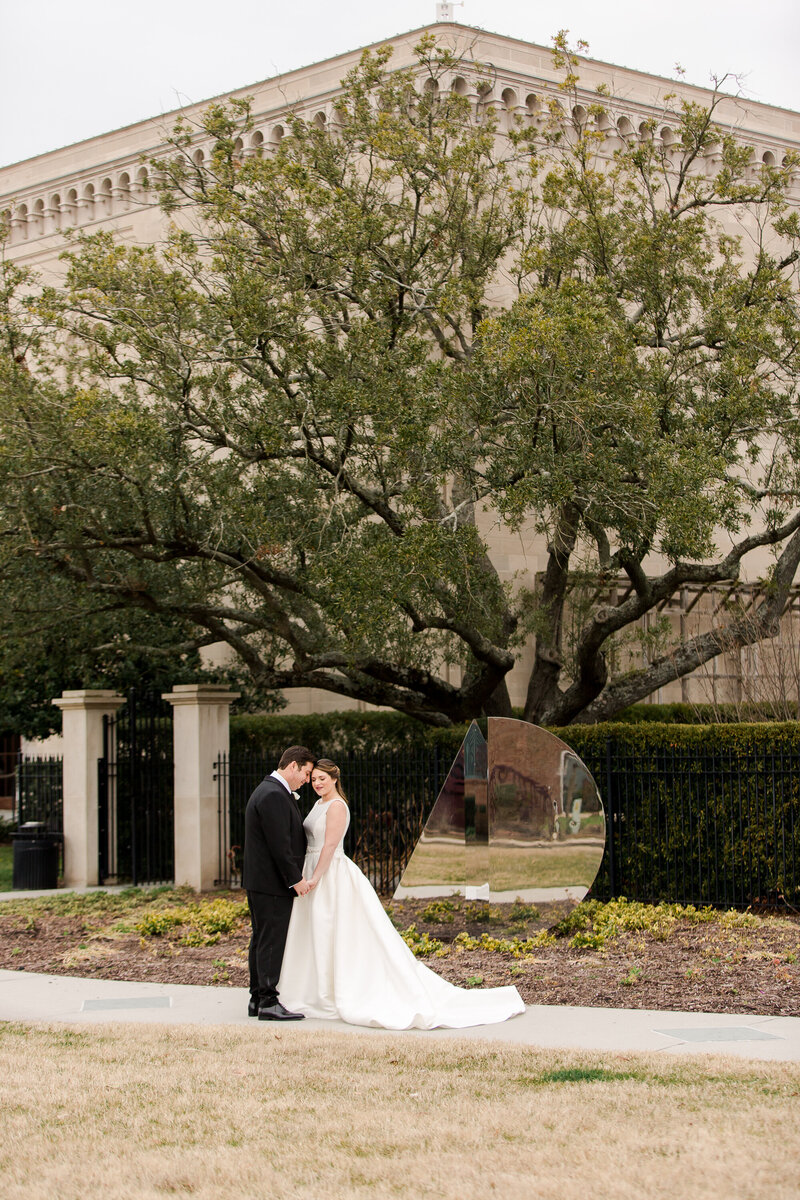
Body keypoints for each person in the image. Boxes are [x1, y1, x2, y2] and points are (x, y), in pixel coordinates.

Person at [278, 759, 525, 1029]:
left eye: (322, 778)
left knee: (335, 929)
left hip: (329, 874)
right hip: (312, 868)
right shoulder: (318, 804)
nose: (316, 783)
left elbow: (329, 847)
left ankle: (334, 991)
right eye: (314, 778)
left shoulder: (337, 806)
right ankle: (314, 990)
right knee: (317, 931)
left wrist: (315, 877)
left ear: (335, 779)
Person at [242, 744, 315, 1021]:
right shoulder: (273, 794)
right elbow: (279, 845)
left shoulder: (270, 790)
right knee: (271, 940)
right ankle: (269, 1002)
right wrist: (295, 879)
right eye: (306, 773)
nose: (306, 781)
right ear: (293, 765)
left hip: (262, 881)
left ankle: (257, 999)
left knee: (261, 938)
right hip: (271, 883)